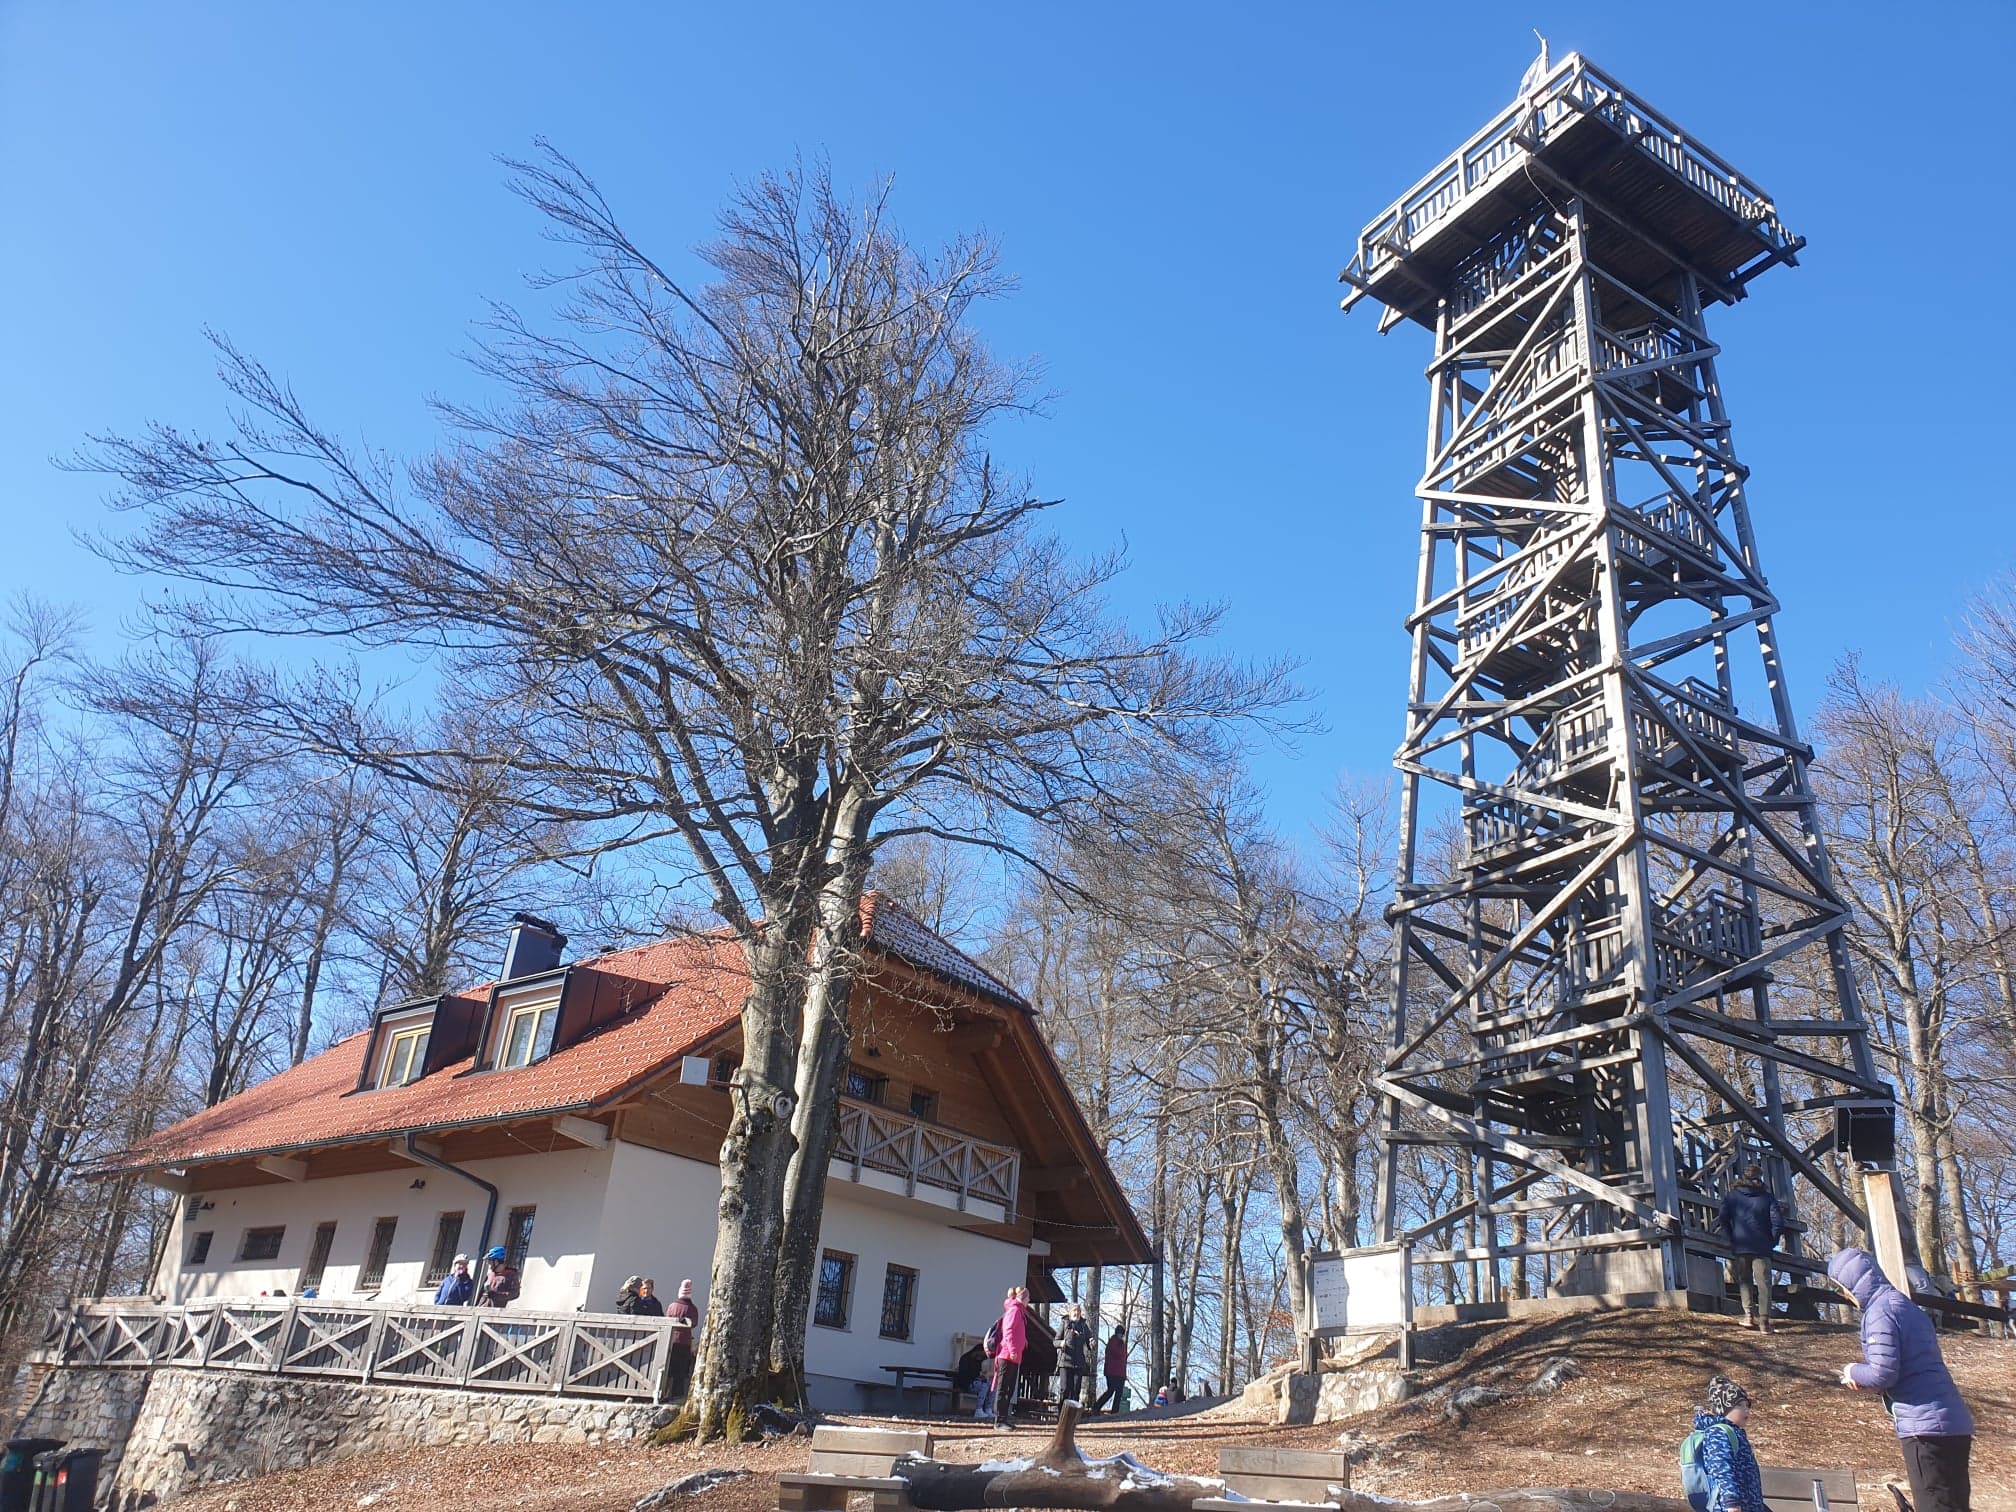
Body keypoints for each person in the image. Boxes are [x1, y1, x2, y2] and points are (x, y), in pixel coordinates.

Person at [1828, 1248, 1974, 1512]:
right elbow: (1909, 1368)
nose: (1844, 1296)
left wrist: (1852, 1371)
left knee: (1935, 1506)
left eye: (1843, 1288)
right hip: (1953, 1422)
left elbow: (1883, 1372)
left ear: (1852, 1284)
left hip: (1925, 1428)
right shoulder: (1904, 1305)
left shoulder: (1879, 1313)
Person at [1680, 1374, 1764, 1512]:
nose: (1746, 1409)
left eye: (1747, 1405)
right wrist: (1731, 1502)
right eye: (1739, 1405)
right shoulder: (1718, 1433)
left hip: (1746, 1505)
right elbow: (1722, 1469)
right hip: (1727, 1506)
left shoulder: (1735, 1433)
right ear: (1723, 1408)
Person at [1717, 1164, 1784, 1332]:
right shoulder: (1767, 1198)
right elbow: (1778, 1222)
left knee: (1745, 1281)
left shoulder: (1732, 1196)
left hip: (1741, 1246)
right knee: (1764, 1284)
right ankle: (1764, 1322)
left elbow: (1723, 1218)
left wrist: (1731, 1237)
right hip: (1762, 1247)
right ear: (1759, 1177)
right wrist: (1772, 1241)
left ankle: (1748, 1316)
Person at [991, 1286, 1031, 1428]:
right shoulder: (1014, 1310)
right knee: (1003, 1388)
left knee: (1010, 1389)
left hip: (1014, 1356)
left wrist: (1023, 1340)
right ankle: (999, 1420)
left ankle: (1004, 1418)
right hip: (1007, 1355)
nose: (1029, 1301)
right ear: (1023, 1298)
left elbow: (1016, 1331)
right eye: (1028, 1298)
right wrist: (1013, 1349)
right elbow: (1008, 1331)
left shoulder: (1020, 1312)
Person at [664, 1278, 700, 1400]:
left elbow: (666, 1319)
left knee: (669, 1367)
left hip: (670, 1339)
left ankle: (665, 1391)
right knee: (680, 1369)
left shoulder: (672, 1306)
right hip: (684, 1341)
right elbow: (694, 1323)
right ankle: (677, 1393)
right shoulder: (692, 1309)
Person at [1057, 1303, 1093, 1407]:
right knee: (1064, 1389)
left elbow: (1089, 1341)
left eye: (1078, 1311)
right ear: (1070, 1312)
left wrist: (1091, 1343)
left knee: (1075, 1391)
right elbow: (1055, 1341)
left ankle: (1072, 1418)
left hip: (1078, 1364)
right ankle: (1061, 1415)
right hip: (1065, 1362)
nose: (1076, 1313)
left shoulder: (1083, 1325)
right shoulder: (1064, 1323)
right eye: (1074, 1310)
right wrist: (1061, 1343)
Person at [972, 1316, 1003, 1419]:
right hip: (969, 1383)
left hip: (978, 1381)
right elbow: (968, 1375)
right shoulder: (967, 1360)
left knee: (991, 1386)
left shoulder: (981, 1361)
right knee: (984, 1386)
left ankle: (988, 1409)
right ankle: (978, 1409)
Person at [1093, 1325, 1128, 1413]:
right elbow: (1117, 1355)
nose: (1121, 1336)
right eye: (1120, 1334)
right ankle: (1096, 1407)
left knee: (1119, 1393)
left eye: (1122, 1334)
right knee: (1111, 1391)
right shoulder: (1113, 1342)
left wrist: (1124, 1374)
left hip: (1120, 1372)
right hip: (1112, 1372)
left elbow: (1123, 1359)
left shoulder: (1122, 1344)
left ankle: (1115, 1411)